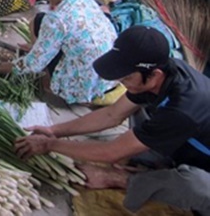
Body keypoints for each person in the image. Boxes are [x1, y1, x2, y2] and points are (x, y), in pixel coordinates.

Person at [15, 26, 210, 215]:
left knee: (193, 184)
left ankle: (123, 179)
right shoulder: (167, 72)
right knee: (140, 111)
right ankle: (159, 166)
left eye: (125, 78)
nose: (120, 83)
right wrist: (54, 131)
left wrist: (49, 145)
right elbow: (113, 114)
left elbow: (111, 152)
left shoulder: (183, 107)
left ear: (154, 76)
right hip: (189, 144)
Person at [0, 0, 122, 105]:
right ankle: (40, 50)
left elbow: (32, 65)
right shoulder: (87, 1)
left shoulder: (57, 19)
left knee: (39, 60)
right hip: (110, 80)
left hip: (85, 88)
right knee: (39, 19)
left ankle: (52, 84)